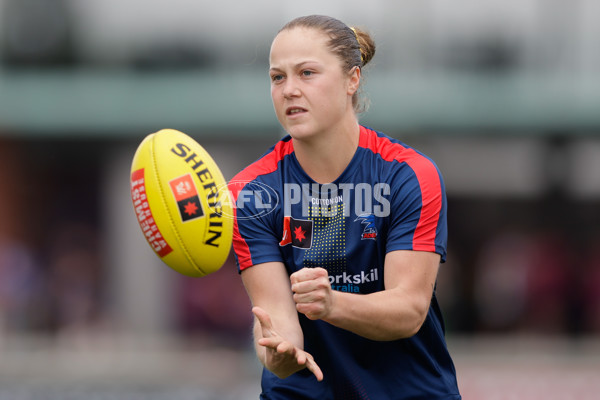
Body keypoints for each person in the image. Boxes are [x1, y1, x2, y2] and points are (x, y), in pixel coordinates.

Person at [228, 14, 461, 400]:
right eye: (277, 77)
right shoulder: (250, 192)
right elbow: (276, 320)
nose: (289, 90)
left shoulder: (409, 175)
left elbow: (409, 309)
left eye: (306, 73)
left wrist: (332, 303)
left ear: (352, 79)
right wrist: (281, 355)